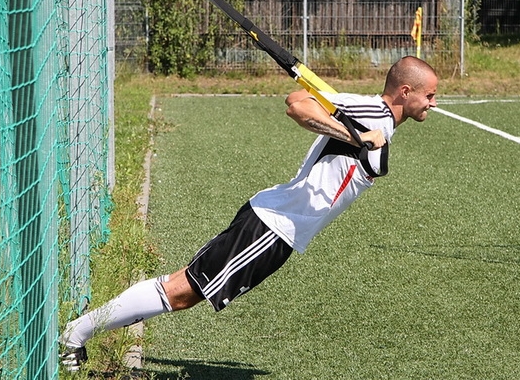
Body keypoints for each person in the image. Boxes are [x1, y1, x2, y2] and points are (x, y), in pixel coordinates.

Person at [59, 56, 438, 371]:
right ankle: (76, 334)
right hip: (273, 225)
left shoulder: (382, 121)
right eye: (429, 96)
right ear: (405, 92)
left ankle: (88, 325)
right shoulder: (371, 110)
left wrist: (356, 136)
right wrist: (356, 136)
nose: (433, 104)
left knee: (186, 288)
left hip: (282, 229)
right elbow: (297, 103)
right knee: (183, 291)